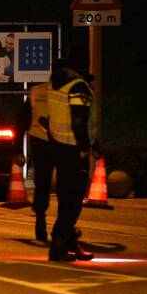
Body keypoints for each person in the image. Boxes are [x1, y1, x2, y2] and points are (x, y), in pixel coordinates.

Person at [45, 51, 94, 261]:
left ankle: (69, 241)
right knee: (73, 201)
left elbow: (48, 119)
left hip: (58, 147)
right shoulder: (77, 87)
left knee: (66, 199)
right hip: (74, 150)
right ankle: (59, 243)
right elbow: (78, 121)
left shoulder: (55, 85)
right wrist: (85, 147)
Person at [15, 79, 52, 242]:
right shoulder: (75, 89)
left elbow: (21, 122)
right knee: (46, 185)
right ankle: (44, 219)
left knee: (43, 184)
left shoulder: (38, 91)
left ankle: (44, 219)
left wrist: (17, 149)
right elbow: (22, 121)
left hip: (43, 144)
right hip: (57, 145)